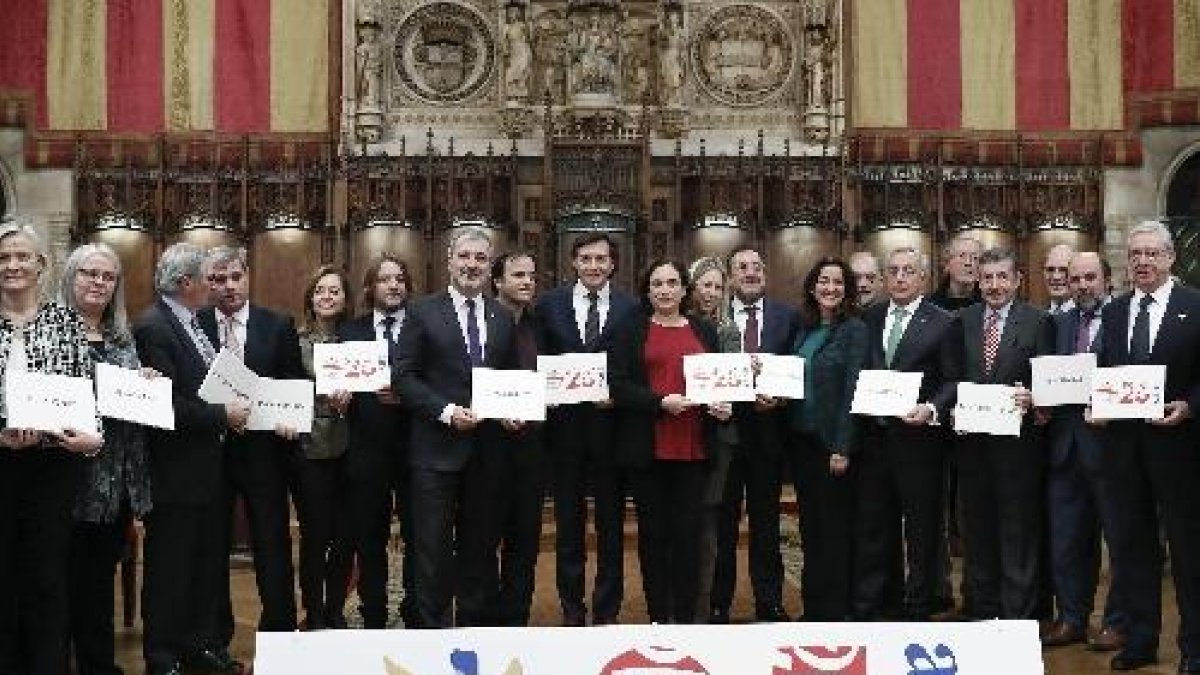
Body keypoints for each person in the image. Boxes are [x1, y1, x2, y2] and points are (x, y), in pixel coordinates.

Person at [393, 227, 519, 628]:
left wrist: (511, 410)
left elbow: (508, 379)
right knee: (431, 550)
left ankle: (472, 633)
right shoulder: (421, 311)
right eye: (464, 257)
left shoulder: (502, 317)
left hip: (488, 452)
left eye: (481, 259)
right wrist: (445, 411)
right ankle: (433, 636)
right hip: (434, 451)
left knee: (480, 549)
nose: (472, 265)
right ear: (449, 260)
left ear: (490, 266)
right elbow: (404, 377)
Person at [135, 243, 248, 675]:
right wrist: (224, 414)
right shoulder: (154, 328)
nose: (216, 286)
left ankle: (198, 646)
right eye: (209, 279)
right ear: (186, 284)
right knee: (169, 570)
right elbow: (166, 405)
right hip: (174, 475)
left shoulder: (191, 320)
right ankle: (162, 656)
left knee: (203, 567)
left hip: (205, 472)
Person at [1093, 221, 1200, 673]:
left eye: (1152, 254)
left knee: (1189, 549)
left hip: (1179, 448)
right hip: (1124, 450)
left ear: (1171, 258)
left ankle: (1194, 648)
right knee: (1132, 548)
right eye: (1135, 254)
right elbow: (1103, 371)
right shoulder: (1115, 311)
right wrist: (1096, 402)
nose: (1142, 261)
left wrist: (1190, 406)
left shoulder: (1195, 306)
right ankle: (1140, 640)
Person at [0, 222, 102, 675]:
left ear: (42, 265)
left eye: (22, 256)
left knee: (47, 577)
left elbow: (84, 390)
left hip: (53, 465)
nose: (13, 265)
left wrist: (93, 436)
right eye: (3, 258)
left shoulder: (65, 322)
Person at [610, 259, 731, 624]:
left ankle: (685, 617)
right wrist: (659, 402)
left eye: (672, 283)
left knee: (689, 538)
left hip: (693, 449)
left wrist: (723, 408)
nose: (664, 290)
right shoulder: (631, 329)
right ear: (647, 290)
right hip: (649, 450)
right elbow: (617, 385)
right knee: (653, 538)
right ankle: (659, 618)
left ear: (683, 289)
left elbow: (717, 381)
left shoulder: (703, 330)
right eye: (657, 284)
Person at [198, 247, 301, 639]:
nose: (228, 286)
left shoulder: (277, 325)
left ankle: (279, 631)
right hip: (210, 453)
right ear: (208, 283)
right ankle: (214, 636)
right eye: (218, 279)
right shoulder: (194, 325)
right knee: (210, 548)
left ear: (247, 277)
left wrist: (292, 418)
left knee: (272, 545)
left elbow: (293, 384)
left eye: (234, 277)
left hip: (265, 455)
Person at [851, 246, 959, 622]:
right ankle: (877, 603)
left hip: (920, 443)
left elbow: (951, 379)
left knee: (921, 529)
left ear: (923, 277)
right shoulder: (869, 317)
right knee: (874, 526)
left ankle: (919, 604)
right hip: (875, 441)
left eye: (907, 271)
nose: (899, 278)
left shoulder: (943, 321)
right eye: (893, 271)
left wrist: (931, 408)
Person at [60, 243, 153, 675]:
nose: (99, 282)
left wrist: (145, 384)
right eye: (89, 273)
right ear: (71, 277)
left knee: (99, 583)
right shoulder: (52, 331)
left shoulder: (122, 337)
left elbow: (133, 407)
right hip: (65, 481)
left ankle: (98, 664)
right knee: (59, 583)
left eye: (108, 276)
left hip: (115, 482)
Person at [536, 233, 638, 626]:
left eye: (601, 259)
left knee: (612, 527)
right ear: (573, 263)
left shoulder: (631, 308)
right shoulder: (549, 306)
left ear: (613, 264)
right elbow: (537, 360)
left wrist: (619, 396)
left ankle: (607, 610)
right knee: (568, 527)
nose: (594, 266)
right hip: (564, 435)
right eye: (586, 259)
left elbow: (635, 367)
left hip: (613, 433)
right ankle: (572, 609)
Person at [955, 247, 1054, 621]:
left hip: (1019, 450)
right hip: (972, 447)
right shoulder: (961, 321)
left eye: (1002, 277)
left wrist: (1036, 398)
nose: (994, 286)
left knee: (1018, 535)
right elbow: (953, 377)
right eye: (987, 278)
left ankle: (1018, 618)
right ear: (978, 282)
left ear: (1017, 280)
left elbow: (1047, 386)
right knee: (977, 534)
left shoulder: (1039, 322)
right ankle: (983, 612)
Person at [1041, 252, 1127, 650]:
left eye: (1090, 278)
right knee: (1066, 540)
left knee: (1121, 540)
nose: (1082, 285)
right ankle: (1072, 618)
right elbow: (1047, 378)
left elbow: (1134, 380)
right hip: (1064, 448)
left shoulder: (1124, 319)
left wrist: (1111, 409)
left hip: (1112, 450)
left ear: (1106, 279)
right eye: (1075, 279)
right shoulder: (1057, 322)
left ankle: (1117, 622)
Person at [711, 246, 798, 623]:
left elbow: (798, 370)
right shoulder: (713, 317)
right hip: (722, 436)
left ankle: (769, 601)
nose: (750, 272)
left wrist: (779, 398)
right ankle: (718, 603)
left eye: (757, 266)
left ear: (766, 273)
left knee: (766, 524)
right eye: (742, 267)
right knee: (723, 525)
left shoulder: (788, 317)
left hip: (768, 434)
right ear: (729, 277)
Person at [786, 257, 867, 621]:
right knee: (811, 529)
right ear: (812, 286)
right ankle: (814, 606)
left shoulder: (854, 330)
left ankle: (837, 611)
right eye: (823, 281)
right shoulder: (803, 329)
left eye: (838, 282)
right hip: (802, 443)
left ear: (847, 290)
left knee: (835, 531)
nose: (830, 288)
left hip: (833, 446)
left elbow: (853, 389)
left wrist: (842, 446)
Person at [338, 254, 416, 628]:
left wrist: (409, 396)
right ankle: (374, 615)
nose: (393, 285)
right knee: (369, 541)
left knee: (420, 538)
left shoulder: (424, 326)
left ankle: (416, 611)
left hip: (417, 449)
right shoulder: (350, 332)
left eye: (399, 279)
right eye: (385, 279)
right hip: (366, 450)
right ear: (370, 287)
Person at [292, 266, 354, 630]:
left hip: (351, 450)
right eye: (320, 291)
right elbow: (287, 391)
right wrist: (325, 399)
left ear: (345, 299)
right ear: (311, 298)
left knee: (346, 537)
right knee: (315, 537)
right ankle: (314, 613)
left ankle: (335, 610)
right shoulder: (294, 341)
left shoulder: (358, 343)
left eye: (334, 291)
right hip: (310, 450)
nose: (327, 296)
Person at [487, 251, 546, 626]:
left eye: (531, 275)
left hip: (532, 451)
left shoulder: (540, 327)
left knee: (524, 544)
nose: (527, 281)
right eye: (518, 275)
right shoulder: (481, 321)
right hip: (487, 449)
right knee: (483, 542)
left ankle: (516, 621)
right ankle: (485, 621)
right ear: (497, 281)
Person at [685, 256, 740, 623]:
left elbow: (732, 386)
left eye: (718, 287)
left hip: (719, 435)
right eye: (706, 285)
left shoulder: (729, 330)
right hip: (683, 428)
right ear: (693, 287)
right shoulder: (681, 323)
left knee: (712, 523)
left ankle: (709, 607)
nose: (712, 293)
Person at [1043, 243, 1076, 315]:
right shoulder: (1034, 316)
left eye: (1063, 270)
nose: (1056, 277)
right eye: (1050, 269)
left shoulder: (1087, 317)